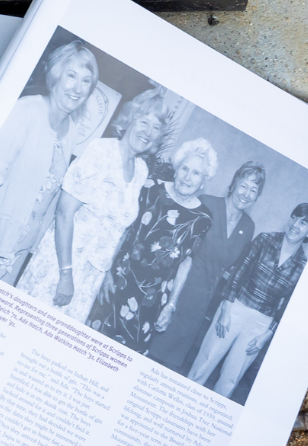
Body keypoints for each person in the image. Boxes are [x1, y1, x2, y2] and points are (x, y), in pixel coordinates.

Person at [0, 40, 101, 282]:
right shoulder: (25, 111)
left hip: (16, 250)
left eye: (86, 81)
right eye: (71, 76)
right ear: (55, 76)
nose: (78, 88)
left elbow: (48, 195)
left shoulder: (72, 131)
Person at [18, 89, 166, 321]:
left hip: (91, 276)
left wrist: (105, 272)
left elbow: (119, 228)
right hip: (61, 266)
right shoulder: (101, 151)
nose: (148, 132)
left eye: (156, 127)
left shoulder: (141, 171)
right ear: (129, 119)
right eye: (144, 121)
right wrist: (66, 275)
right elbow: (64, 213)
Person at [87, 139, 217, 354]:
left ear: (204, 181)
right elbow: (124, 231)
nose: (187, 177)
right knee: (91, 344)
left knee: (125, 357)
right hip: (117, 283)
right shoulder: (150, 188)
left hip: (151, 300)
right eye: (184, 168)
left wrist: (171, 304)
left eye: (196, 173)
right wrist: (107, 272)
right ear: (176, 168)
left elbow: (186, 261)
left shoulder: (203, 219)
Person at [188, 204, 308, 399]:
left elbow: (288, 306)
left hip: (260, 325)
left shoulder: (303, 266)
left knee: (231, 379)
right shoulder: (264, 240)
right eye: (294, 217)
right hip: (235, 307)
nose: (295, 224)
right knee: (205, 362)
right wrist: (226, 309)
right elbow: (237, 274)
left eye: (303, 223)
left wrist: (267, 335)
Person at [149, 162, 265, 373]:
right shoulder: (207, 204)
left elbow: (233, 267)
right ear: (233, 184)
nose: (246, 194)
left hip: (202, 302)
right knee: (152, 351)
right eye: (243, 186)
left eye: (253, 190)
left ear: (257, 197)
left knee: (171, 365)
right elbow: (181, 251)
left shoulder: (248, 227)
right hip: (178, 290)